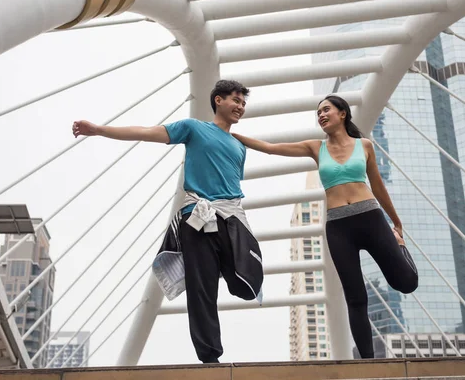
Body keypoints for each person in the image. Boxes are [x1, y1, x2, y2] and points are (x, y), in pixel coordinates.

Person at [72, 80, 264, 364]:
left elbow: (232, 184)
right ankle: (210, 357)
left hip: (232, 218)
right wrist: (100, 130)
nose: (241, 107)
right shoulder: (194, 128)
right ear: (218, 100)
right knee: (202, 287)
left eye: (244, 103)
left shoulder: (239, 147)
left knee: (246, 281)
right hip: (196, 218)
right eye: (236, 100)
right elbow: (147, 132)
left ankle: (236, 281)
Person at [231, 94, 418, 359]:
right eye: (318, 112)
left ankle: (400, 248)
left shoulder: (364, 145)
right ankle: (368, 365)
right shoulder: (314, 148)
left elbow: (377, 185)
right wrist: (231, 134)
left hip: (371, 218)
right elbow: (270, 147)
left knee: (407, 283)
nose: (320, 115)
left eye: (326, 109)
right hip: (339, 227)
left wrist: (396, 222)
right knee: (355, 298)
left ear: (342, 113)